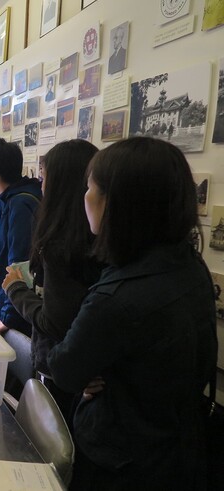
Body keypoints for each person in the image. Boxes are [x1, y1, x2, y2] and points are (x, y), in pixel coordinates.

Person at [46, 137, 217, 490]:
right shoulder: (188, 263)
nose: (85, 198)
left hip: (120, 457)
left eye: (90, 188)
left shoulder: (117, 295)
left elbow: (65, 367)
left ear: (117, 203)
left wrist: (90, 370)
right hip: (178, 442)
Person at [0, 139, 102, 418]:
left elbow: (55, 321)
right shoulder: (98, 238)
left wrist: (15, 288)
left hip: (60, 369)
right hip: (81, 366)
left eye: (44, 178)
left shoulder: (61, 245)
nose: (41, 185)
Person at [0, 137, 41, 336]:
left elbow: (20, 265)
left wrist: (8, 317)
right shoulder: (12, 199)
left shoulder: (20, 205)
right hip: (5, 306)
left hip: (12, 314)